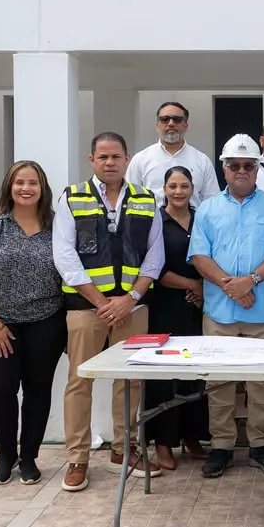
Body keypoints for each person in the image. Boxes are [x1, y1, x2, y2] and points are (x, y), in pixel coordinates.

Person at [54, 131, 166, 492]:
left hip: (132, 306)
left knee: (130, 381)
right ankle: (78, 458)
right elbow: (65, 257)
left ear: (127, 158)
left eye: (116, 157)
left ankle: (124, 448)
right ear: (92, 160)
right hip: (87, 308)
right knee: (80, 381)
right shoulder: (73, 198)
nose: (110, 163)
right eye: (102, 157)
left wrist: (130, 299)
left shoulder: (147, 199)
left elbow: (155, 256)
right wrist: (103, 303)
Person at [188, 134, 264, 479]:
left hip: (261, 308)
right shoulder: (207, 208)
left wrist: (251, 281)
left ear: (257, 168)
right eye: (235, 166)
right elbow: (199, 255)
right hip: (219, 309)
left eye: (249, 166)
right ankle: (222, 447)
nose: (242, 171)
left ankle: (261, 445)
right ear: (224, 168)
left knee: (263, 382)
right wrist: (231, 286)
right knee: (219, 383)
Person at [0, 160, 67, 486]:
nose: (26, 188)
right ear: (9, 187)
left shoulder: (58, 226)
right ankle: (5, 456)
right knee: (0, 391)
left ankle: (29, 458)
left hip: (45, 322)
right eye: (20, 182)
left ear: (43, 188)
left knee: (37, 392)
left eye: (33, 183)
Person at [142, 166, 210, 470]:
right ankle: (163, 442)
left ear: (193, 188)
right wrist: (190, 284)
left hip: (197, 306)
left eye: (184, 186)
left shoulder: (202, 218)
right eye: (173, 186)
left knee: (194, 371)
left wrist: (202, 288)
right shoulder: (156, 221)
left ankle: (193, 437)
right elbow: (153, 266)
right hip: (165, 305)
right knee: (163, 374)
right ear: (164, 189)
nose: (179, 192)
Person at [126, 101, 221, 207]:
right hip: (152, 223)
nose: (171, 123)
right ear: (157, 125)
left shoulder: (202, 161)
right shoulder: (140, 159)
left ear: (185, 126)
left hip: (192, 223)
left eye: (177, 119)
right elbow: (130, 198)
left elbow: (212, 203)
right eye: (165, 119)